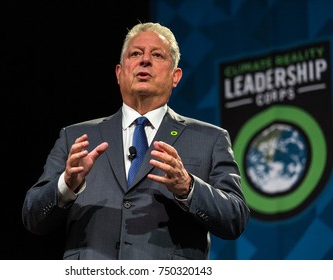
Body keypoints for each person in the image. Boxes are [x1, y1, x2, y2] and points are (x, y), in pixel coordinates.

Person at [22, 22, 250, 260]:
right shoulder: (76, 138)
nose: (145, 61)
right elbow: (33, 217)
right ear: (119, 73)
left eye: (157, 55)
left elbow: (235, 218)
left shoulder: (210, 139)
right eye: (136, 53)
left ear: (175, 76)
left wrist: (188, 187)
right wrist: (66, 185)